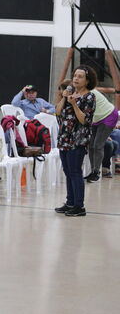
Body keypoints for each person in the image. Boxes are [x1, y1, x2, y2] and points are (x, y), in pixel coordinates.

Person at [54, 65, 97, 217]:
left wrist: (74, 104)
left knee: (75, 172)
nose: (76, 79)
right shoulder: (70, 93)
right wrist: (65, 98)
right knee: (67, 171)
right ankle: (70, 202)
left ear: (87, 81)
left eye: (80, 77)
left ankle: (79, 206)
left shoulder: (90, 97)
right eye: (75, 76)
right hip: (64, 137)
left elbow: (84, 120)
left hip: (77, 140)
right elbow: (57, 112)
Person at [84, 89, 118, 182]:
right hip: (97, 118)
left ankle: (96, 173)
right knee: (91, 145)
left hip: (109, 115)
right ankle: (93, 172)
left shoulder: (90, 92)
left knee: (98, 145)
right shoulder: (77, 94)